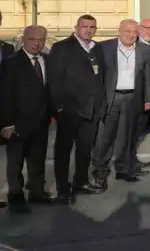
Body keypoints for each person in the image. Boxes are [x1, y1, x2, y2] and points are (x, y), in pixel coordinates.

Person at [49, 14, 106, 204]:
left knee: (84, 150)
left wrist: (101, 104)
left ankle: (81, 182)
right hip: (69, 110)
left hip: (92, 110)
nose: (88, 30)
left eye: (92, 27)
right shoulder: (62, 48)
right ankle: (62, 190)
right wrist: (59, 108)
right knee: (63, 151)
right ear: (76, 27)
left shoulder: (97, 48)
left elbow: (101, 77)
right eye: (84, 26)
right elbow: (54, 80)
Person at [92, 19, 150, 190]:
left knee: (126, 137)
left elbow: (149, 75)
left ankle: (123, 169)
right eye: (127, 31)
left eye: (134, 32)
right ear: (119, 31)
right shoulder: (104, 48)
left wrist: (149, 98)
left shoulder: (144, 49)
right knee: (105, 138)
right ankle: (100, 172)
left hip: (132, 98)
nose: (131, 35)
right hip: (111, 98)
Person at [0, 25, 54, 214]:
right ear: (23, 40)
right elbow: (5, 96)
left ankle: (37, 192)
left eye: (41, 40)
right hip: (18, 123)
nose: (37, 43)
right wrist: (7, 124)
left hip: (41, 121)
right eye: (32, 39)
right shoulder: (10, 64)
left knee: (37, 160)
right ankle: (16, 197)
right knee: (16, 163)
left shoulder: (47, 60)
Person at [133, 18, 150, 171]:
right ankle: (128, 162)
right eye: (147, 28)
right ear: (139, 28)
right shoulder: (135, 46)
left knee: (140, 129)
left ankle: (132, 159)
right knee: (133, 130)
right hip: (138, 94)